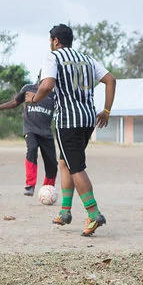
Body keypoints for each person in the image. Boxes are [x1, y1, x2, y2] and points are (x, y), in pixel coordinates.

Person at [26, 24, 116, 236]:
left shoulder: (53, 57)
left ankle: (93, 213)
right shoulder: (86, 58)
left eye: (50, 41)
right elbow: (110, 80)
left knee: (76, 168)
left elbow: (47, 85)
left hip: (68, 121)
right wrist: (106, 110)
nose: (50, 44)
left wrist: (34, 98)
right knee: (65, 163)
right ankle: (65, 211)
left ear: (55, 40)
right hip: (87, 119)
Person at [0, 76, 57, 196]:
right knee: (32, 149)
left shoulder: (54, 95)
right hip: (31, 129)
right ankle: (30, 185)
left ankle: (47, 190)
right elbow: (14, 103)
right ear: (40, 78)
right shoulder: (28, 89)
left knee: (52, 165)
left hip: (46, 132)